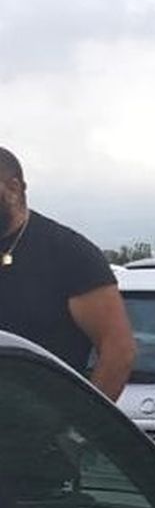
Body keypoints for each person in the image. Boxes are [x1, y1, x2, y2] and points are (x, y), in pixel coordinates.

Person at [0, 146, 137, 397]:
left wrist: (80, 428)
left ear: (13, 188)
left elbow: (118, 350)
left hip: (42, 424)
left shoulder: (70, 254)